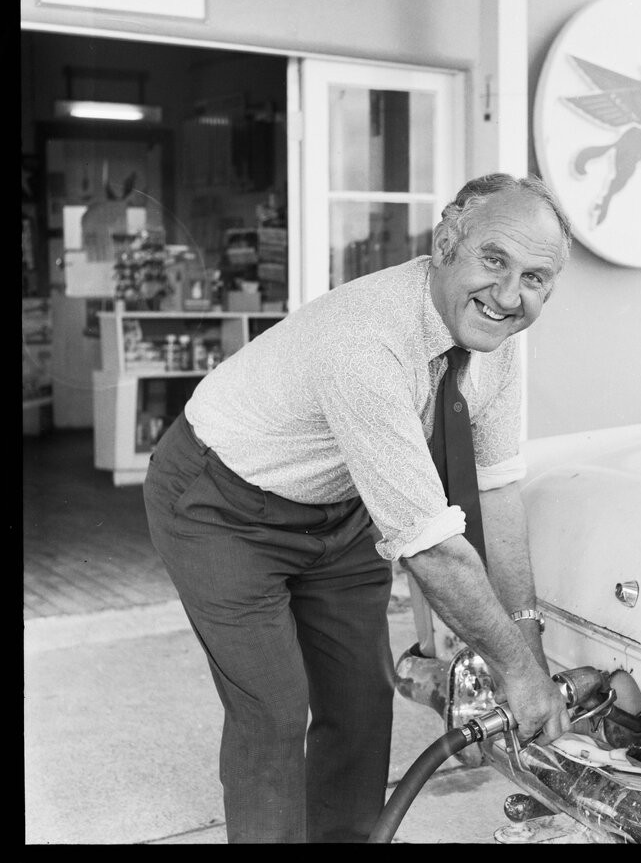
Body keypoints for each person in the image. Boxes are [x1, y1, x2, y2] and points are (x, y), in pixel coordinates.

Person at [142, 173, 574, 843]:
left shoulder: (498, 333)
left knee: (362, 701)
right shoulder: (367, 340)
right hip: (219, 502)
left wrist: (530, 652)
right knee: (274, 711)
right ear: (447, 243)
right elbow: (431, 550)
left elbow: (496, 490)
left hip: (337, 511)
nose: (510, 294)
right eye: (494, 259)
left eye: (536, 278)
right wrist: (516, 672)